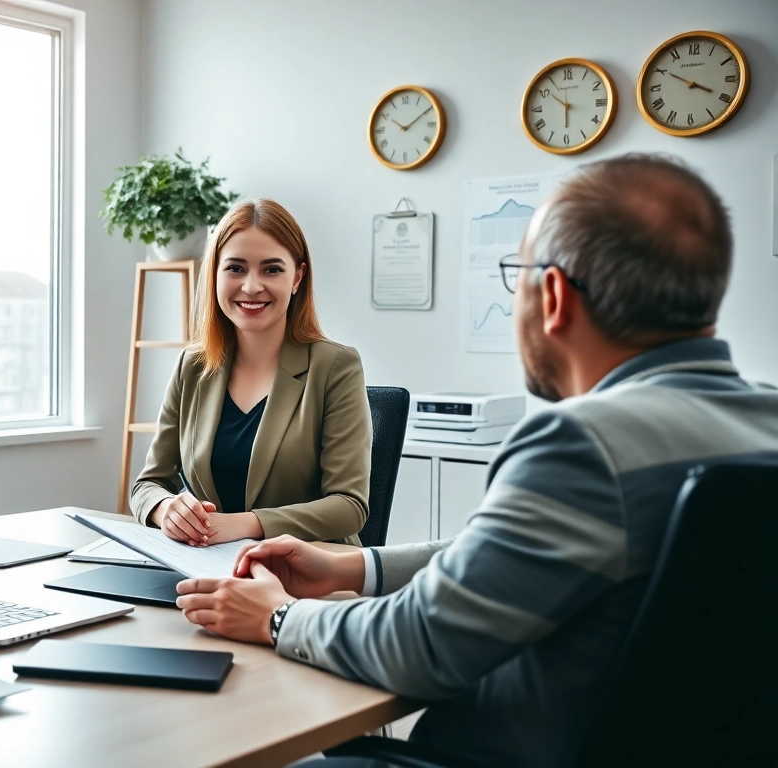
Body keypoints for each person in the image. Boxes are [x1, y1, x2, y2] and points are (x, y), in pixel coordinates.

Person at [174, 154, 778, 767]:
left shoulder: (581, 446)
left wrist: (280, 617)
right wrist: (359, 569)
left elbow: (420, 644)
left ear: (554, 297)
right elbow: (526, 553)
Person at [130, 198, 372, 546]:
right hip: (208, 562)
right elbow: (147, 485)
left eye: (272, 269)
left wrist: (246, 525)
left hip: (308, 570)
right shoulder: (192, 366)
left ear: (297, 277)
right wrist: (165, 507)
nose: (251, 286)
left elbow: (349, 507)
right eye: (236, 268)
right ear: (214, 273)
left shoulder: (336, 367)